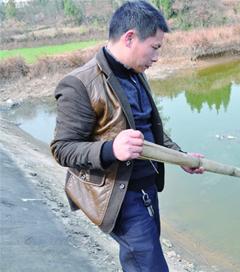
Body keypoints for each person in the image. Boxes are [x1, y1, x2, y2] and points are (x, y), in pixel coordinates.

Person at [50, 1, 204, 271]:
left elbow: (150, 130)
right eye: (154, 48)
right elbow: (63, 149)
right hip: (117, 196)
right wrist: (111, 149)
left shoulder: (135, 74)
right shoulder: (80, 84)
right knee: (152, 266)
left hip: (146, 189)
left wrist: (181, 158)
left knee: (139, 262)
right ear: (130, 37)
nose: (156, 58)